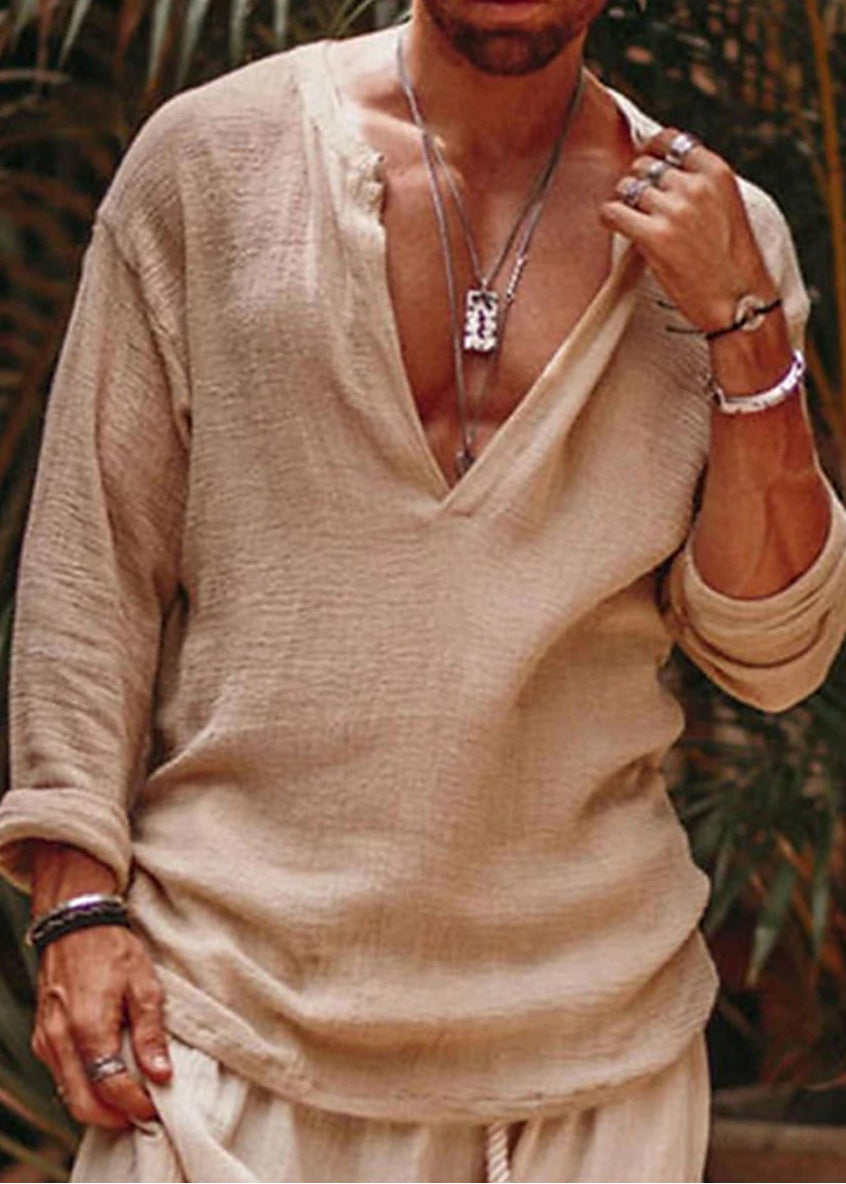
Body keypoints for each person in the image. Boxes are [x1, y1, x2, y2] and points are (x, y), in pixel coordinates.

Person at [2, 0, 846, 1179]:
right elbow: (93, 563)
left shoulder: (726, 235)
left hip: (591, 1063)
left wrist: (745, 331)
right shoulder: (213, 162)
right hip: (227, 1030)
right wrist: (76, 908)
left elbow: (775, 651)